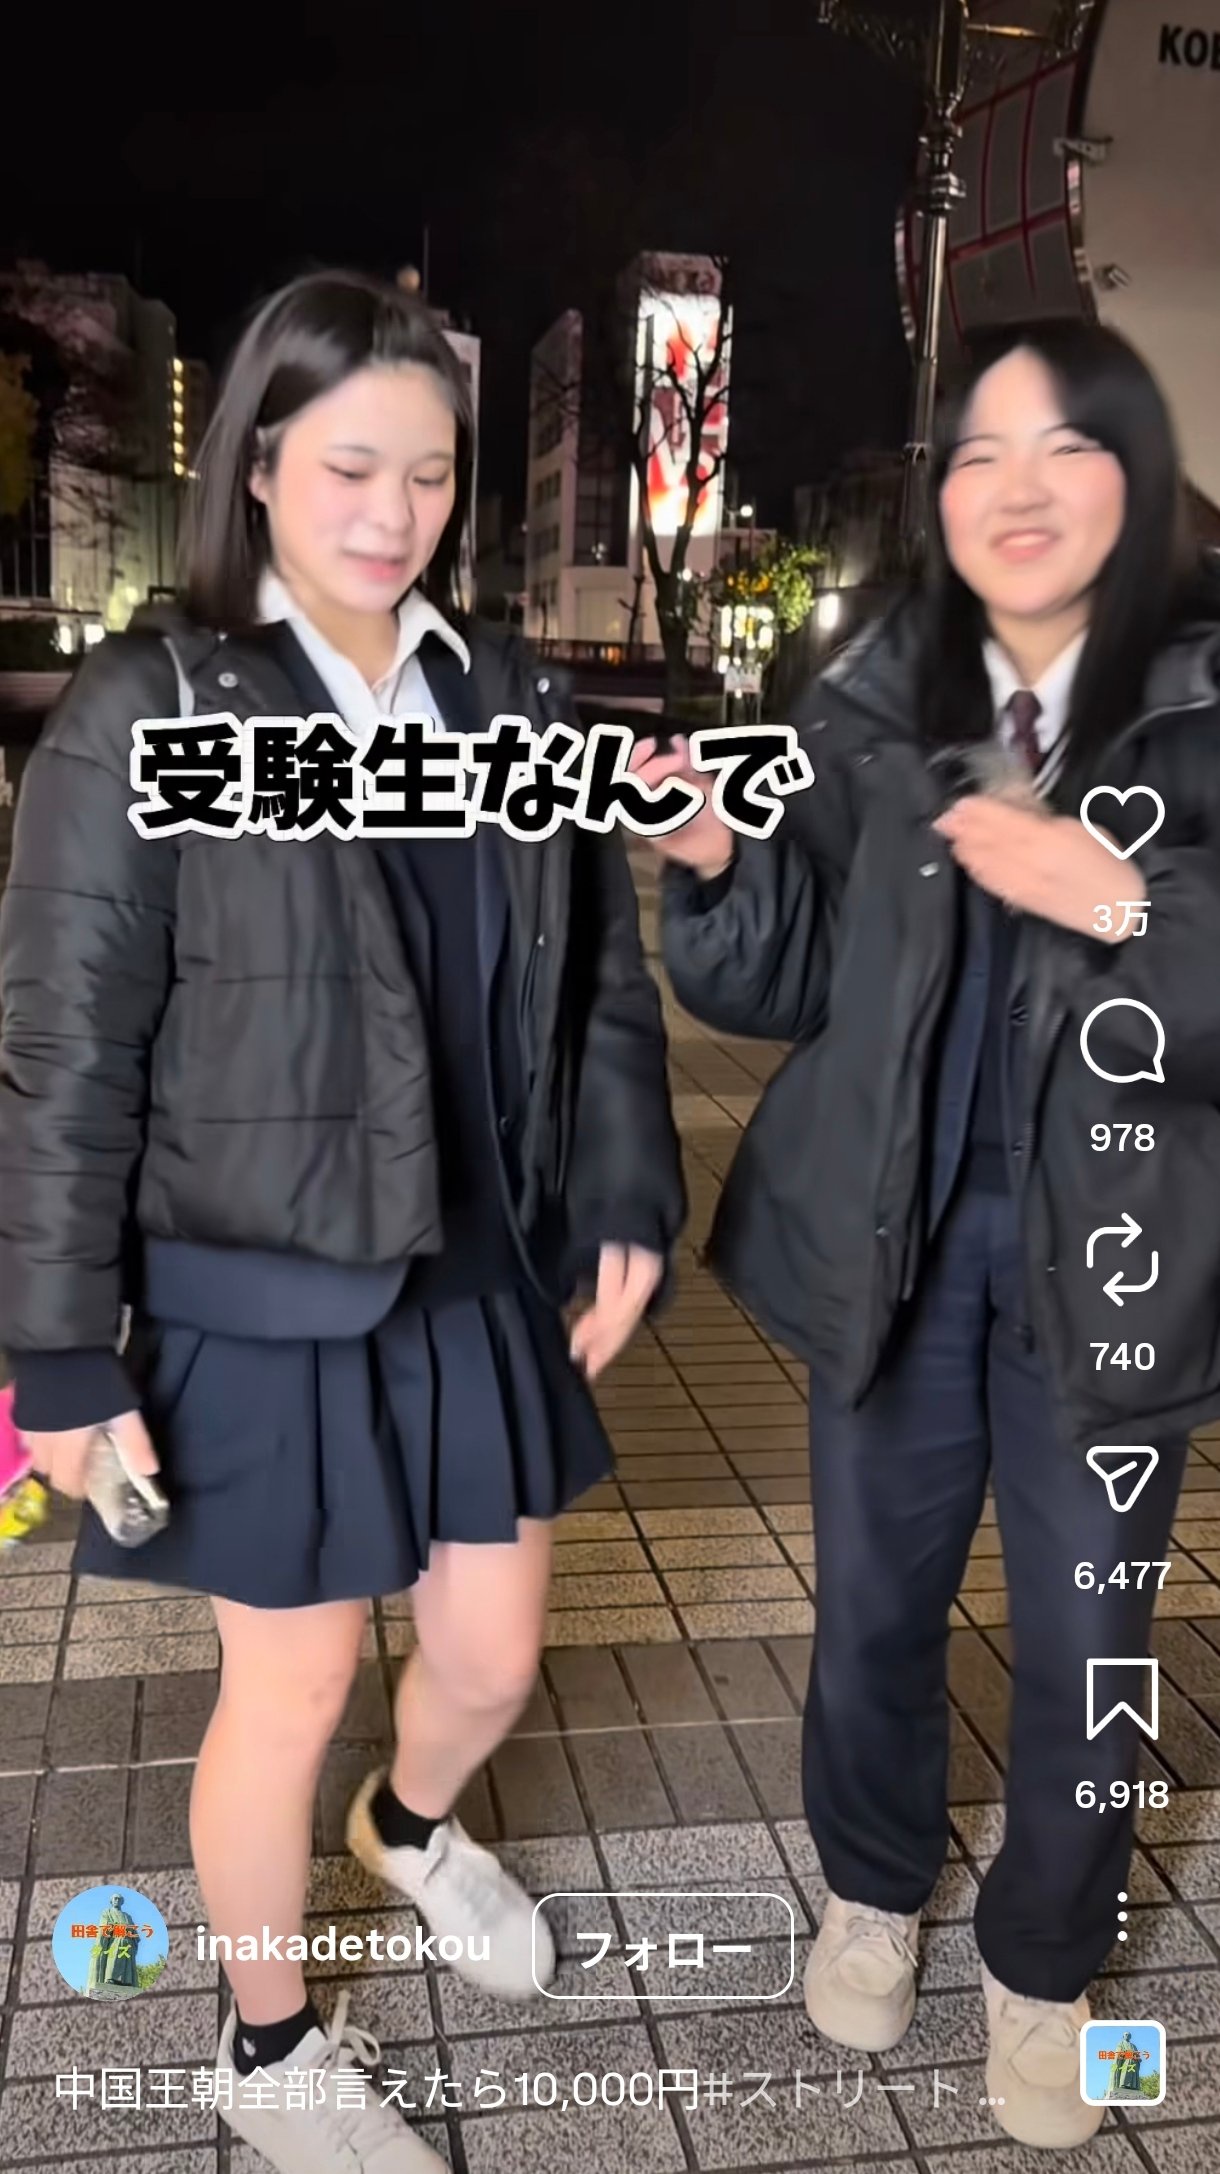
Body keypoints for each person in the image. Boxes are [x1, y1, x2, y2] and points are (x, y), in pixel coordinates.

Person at [0, 268, 685, 2174]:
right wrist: (57, 1349)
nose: (396, 514)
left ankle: (412, 1828)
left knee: (489, 1659)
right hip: (257, 1288)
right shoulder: (157, 703)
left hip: (476, 1276)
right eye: (350, 467)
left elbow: (597, 982)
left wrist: (626, 1185)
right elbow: (65, 1047)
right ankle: (269, 2038)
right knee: (291, 1680)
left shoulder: (509, 698)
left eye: (432, 474)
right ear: (259, 465)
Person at [638, 319, 1220, 2153]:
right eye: (977, 454)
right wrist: (717, 871)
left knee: (1091, 1629)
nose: (1015, 491)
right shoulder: (877, 691)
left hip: (1115, 1258)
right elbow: (790, 974)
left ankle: (1044, 1965)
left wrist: (1125, 903)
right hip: (893, 1245)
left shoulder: (1206, 694)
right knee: (877, 1610)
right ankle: (872, 1885)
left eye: (1064, 449)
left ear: (1139, 472)